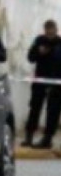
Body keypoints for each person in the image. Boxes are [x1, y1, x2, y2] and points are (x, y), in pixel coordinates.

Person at [25, 20, 61, 150]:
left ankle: (47, 138)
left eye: (52, 30)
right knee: (34, 108)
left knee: (53, 111)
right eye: (48, 30)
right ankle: (29, 136)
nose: (50, 33)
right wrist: (39, 52)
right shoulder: (39, 40)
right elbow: (30, 57)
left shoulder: (59, 43)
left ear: (56, 30)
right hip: (40, 81)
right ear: (45, 30)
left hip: (56, 84)